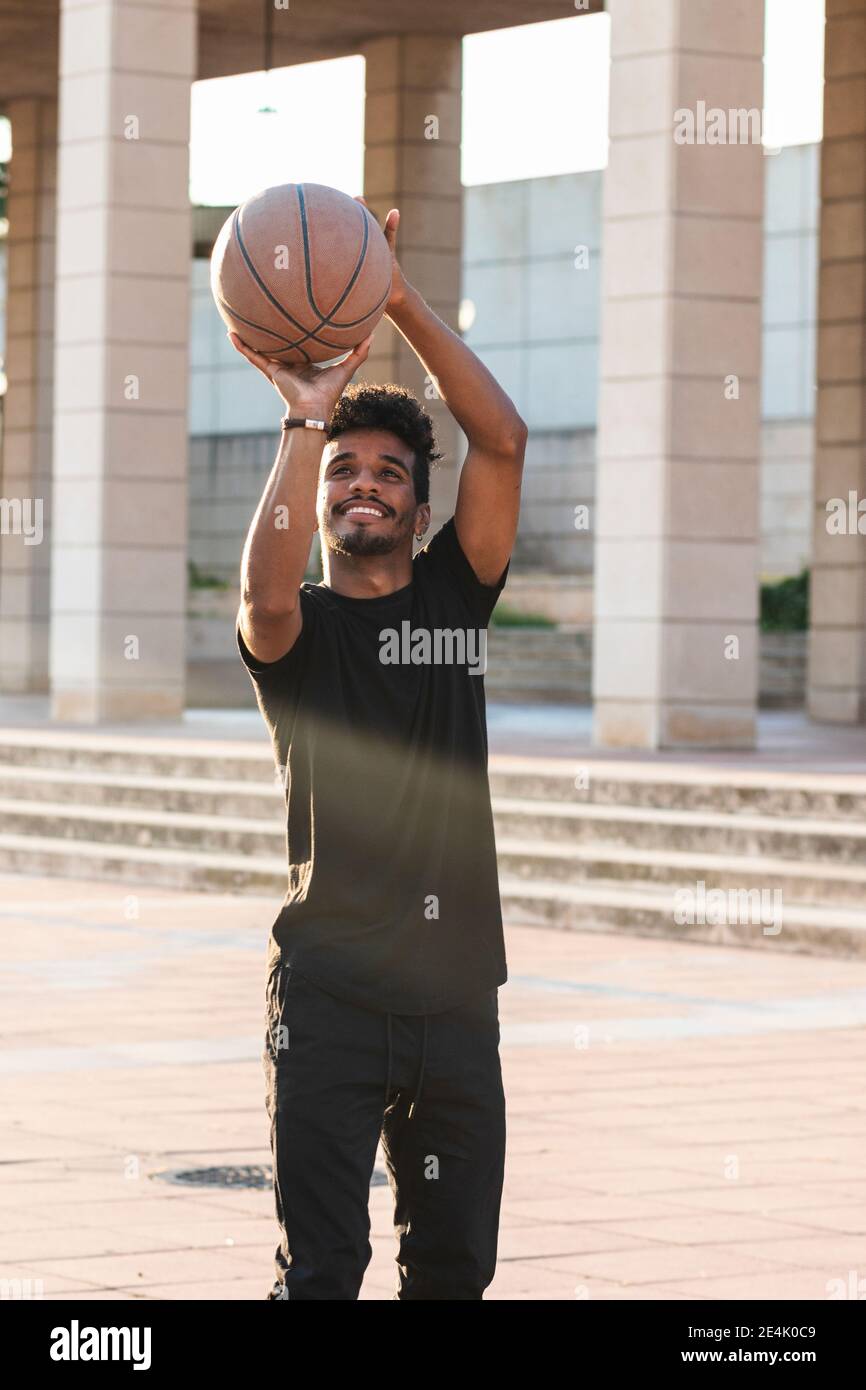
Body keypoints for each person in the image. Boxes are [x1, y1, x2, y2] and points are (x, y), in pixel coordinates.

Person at [232, 200, 527, 1300]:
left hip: (456, 1001)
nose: (362, 483)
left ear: (416, 505)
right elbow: (259, 587)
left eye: (389, 472)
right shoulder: (296, 633)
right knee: (321, 1273)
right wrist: (304, 416)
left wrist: (393, 291)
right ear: (317, 501)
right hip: (331, 999)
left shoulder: (456, 595)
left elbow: (501, 440)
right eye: (342, 470)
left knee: (453, 1270)